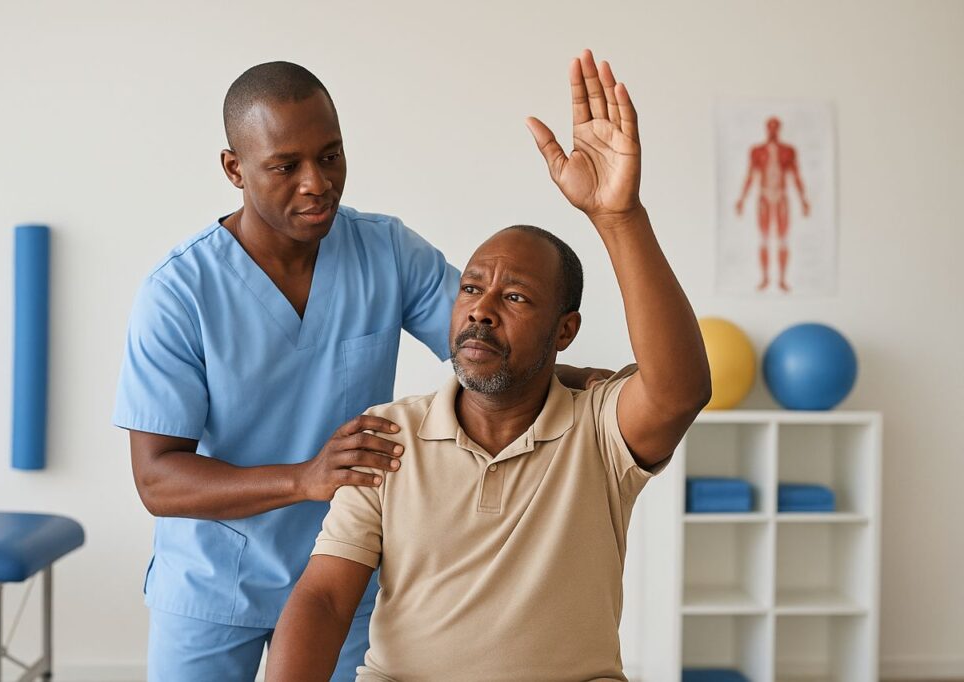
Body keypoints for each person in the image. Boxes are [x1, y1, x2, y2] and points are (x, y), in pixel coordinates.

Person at [113, 61, 604, 682]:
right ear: (235, 169)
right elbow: (157, 480)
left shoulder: (386, 252)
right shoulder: (178, 293)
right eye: (286, 166)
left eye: (331, 156)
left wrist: (615, 391)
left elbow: (491, 348)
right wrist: (303, 479)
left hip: (347, 575)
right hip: (215, 587)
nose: (317, 183)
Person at [265, 49, 711, 682]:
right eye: (471, 288)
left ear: (565, 331)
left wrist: (617, 216)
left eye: (516, 297)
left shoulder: (601, 433)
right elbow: (327, 596)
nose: (481, 311)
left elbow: (678, 391)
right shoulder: (389, 435)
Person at [735, 116, 810, 292]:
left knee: (783, 239)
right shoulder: (757, 151)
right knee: (764, 239)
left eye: (776, 127)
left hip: (781, 196)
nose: (773, 130)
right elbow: (750, 175)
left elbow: (796, 175)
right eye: (770, 127)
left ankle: (782, 279)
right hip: (764, 196)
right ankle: (765, 278)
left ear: (779, 129)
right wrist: (742, 199)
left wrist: (803, 200)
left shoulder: (788, 151)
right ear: (767, 129)